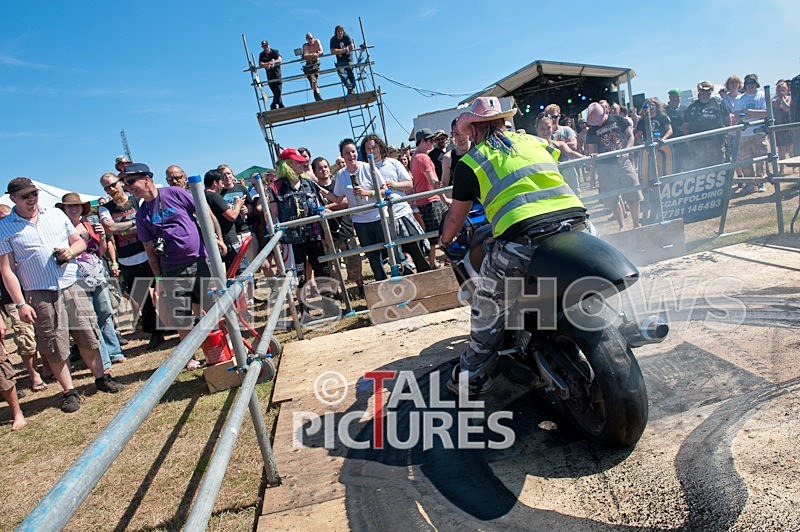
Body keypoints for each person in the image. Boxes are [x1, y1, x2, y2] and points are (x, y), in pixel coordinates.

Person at [439, 97, 585, 396]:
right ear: (504, 121)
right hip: (577, 223)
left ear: (474, 129)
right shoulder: (535, 142)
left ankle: (472, 376)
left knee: (487, 307)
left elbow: (455, 217)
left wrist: (444, 241)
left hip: (523, 238)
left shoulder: (471, 162)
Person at [0, 178, 125, 413]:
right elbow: (7, 270)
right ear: (13, 198)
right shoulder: (5, 227)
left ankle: (102, 378)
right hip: (39, 292)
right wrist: (20, 304)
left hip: (72, 283)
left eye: (34, 193)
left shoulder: (56, 215)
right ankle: (69, 391)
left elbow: (78, 242)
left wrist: (70, 252)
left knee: (88, 334)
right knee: (54, 344)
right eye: (25, 196)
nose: (32, 199)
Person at [124, 163, 209, 369]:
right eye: (126, 184)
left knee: (209, 308)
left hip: (198, 260)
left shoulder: (174, 193)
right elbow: (149, 249)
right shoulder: (142, 214)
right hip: (171, 267)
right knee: (181, 315)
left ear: (147, 179)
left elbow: (204, 211)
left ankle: (220, 347)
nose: (129, 187)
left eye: (131, 182)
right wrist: (159, 278)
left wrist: (216, 239)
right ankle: (189, 357)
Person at [57, 192, 126, 370]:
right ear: (63, 209)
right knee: (90, 320)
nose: (74, 208)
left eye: (77, 205)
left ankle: (115, 352)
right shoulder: (59, 230)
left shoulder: (89, 225)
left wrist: (102, 236)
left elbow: (100, 252)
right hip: (76, 278)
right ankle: (104, 360)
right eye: (70, 206)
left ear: (82, 208)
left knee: (105, 313)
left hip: (97, 273)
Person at [99, 172, 164, 350]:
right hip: (127, 260)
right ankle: (155, 333)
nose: (111, 189)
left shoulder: (137, 200)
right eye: (107, 187)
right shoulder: (105, 208)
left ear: (120, 182)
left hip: (148, 254)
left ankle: (171, 325)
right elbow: (110, 228)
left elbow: (146, 221)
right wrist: (135, 224)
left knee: (162, 290)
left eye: (113, 184)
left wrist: (123, 228)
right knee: (142, 298)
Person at [268, 148, 335, 310]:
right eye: (297, 162)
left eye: (302, 161)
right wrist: (276, 239)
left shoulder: (308, 182)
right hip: (292, 239)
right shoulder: (275, 187)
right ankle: (303, 307)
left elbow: (323, 201)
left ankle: (328, 304)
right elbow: (272, 215)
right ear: (287, 165)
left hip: (314, 235)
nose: (302, 164)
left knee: (322, 269)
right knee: (299, 276)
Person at [362, 134, 432, 274]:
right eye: (368, 149)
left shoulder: (393, 163)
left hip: (402, 212)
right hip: (384, 217)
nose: (372, 151)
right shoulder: (364, 169)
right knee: (397, 256)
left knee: (417, 249)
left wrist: (394, 185)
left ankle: (426, 275)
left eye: (374, 147)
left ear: (380, 147)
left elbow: (409, 184)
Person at [0, 204, 46, 393]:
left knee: (41, 331)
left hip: (31, 289)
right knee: (25, 336)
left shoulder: (19, 235)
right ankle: (33, 375)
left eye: (5, 217)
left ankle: (47, 368)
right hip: (10, 297)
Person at [311, 156, 364, 297]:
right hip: (327, 234)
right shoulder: (313, 191)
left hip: (345, 229)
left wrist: (326, 208)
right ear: (314, 172)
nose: (323, 170)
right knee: (332, 268)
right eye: (319, 168)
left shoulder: (338, 184)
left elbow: (345, 202)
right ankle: (337, 294)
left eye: (325, 166)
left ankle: (361, 288)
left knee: (354, 262)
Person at [585, 101, 643, 230]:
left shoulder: (618, 119)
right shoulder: (591, 131)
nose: (597, 123)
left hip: (623, 161)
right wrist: (593, 158)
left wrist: (626, 151)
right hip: (605, 166)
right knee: (613, 198)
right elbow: (591, 150)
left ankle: (636, 224)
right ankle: (621, 226)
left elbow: (631, 137)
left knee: (633, 191)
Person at [411, 128, 448, 269]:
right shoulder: (423, 157)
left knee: (434, 235)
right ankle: (438, 262)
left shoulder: (415, 157)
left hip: (427, 200)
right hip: (431, 200)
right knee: (440, 233)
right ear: (423, 141)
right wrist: (443, 186)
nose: (433, 142)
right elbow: (433, 181)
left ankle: (433, 263)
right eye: (431, 140)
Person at [734, 74, 768, 193]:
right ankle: (750, 184)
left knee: (760, 160)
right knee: (745, 161)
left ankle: (761, 182)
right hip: (744, 134)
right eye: (748, 83)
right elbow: (737, 115)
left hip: (758, 132)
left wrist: (748, 112)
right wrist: (753, 114)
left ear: (756, 84)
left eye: (752, 83)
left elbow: (765, 113)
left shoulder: (762, 95)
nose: (750, 85)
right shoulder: (739, 99)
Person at [683, 81, 729, 169]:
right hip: (698, 143)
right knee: (700, 165)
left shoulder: (718, 104)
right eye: (703, 91)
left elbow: (727, 118)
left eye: (708, 91)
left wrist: (726, 133)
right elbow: (685, 126)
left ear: (711, 91)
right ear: (699, 92)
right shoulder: (692, 107)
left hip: (717, 141)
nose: (705, 93)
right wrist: (689, 141)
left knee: (719, 164)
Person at [204, 169, 244, 271]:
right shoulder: (213, 196)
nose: (223, 186)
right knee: (240, 272)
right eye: (221, 182)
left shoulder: (203, 197)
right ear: (215, 183)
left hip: (218, 241)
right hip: (228, 241)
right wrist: (238, 204)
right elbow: (232, 216)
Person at [772, 80, 794, 174]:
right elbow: (772, 109)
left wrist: (782, 100)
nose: (780, 92)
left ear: (786, 90)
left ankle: (795, 168)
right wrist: (777, 101)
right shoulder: (773, 100)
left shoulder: (789, 98)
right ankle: (781, 169)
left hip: (789, 127)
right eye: (779, 90)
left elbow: (787, 108)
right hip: (779, 128)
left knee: (791, 150)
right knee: (781, 151)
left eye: (783, 90)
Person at [330, 25, 357, 94]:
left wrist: (347, 48)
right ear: (336, 32)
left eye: (341, 31)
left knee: (350, 74)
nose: (340, 33)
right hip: (340, 60)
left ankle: (352, 89)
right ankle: (350, 88)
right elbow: (332, 51)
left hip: (348, 59)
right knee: (342, 74)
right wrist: (342, 50)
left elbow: (352, 46)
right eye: (338, 31)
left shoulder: (346, 36)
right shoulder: (333, 39)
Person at [259, 40, 284, 110]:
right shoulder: (262, 54)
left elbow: (280, 60)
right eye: (264, 46)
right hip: (270, 76)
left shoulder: (274, 51)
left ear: (269, 45)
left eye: (266, 46)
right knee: (275, 92)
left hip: (277, 74)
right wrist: (268, 64)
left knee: (278, 91)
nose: (265, 47)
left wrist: (274, 62)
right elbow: (260, 64)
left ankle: (273, 104)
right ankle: (280, 105)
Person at [301, 33, 324, 101]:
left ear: (313, 38)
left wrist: (317, 54)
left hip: (316, 63)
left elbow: (321, 51)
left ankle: (316, 93)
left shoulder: (317, 42)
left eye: (311, 38)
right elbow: (304, 55)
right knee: (312, 79)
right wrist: (313, 54)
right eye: (308, 39)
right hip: (309, 65)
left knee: (314, 80)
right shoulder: (305, 45)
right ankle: (317, 95)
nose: (310, 40)